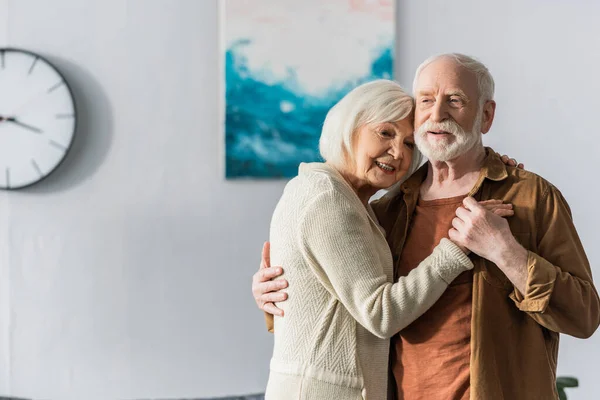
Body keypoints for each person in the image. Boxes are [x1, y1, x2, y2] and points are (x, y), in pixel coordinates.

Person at [254, 54, 600, 400]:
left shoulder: (530, 197)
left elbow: (583, 317)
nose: (437, 115)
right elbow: (358, 302)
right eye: (426, 101)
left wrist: (505, 251)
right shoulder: (385, 212)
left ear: (486, 115)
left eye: (455, 100)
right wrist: (276, 292)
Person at [261, 79, 515, 400]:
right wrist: (456, 247)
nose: (397, 152)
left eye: (410, 144)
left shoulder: (357, 203)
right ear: (350, 128)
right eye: (385, 133)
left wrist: (484, 165)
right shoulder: (326, 197)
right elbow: (381, 314)